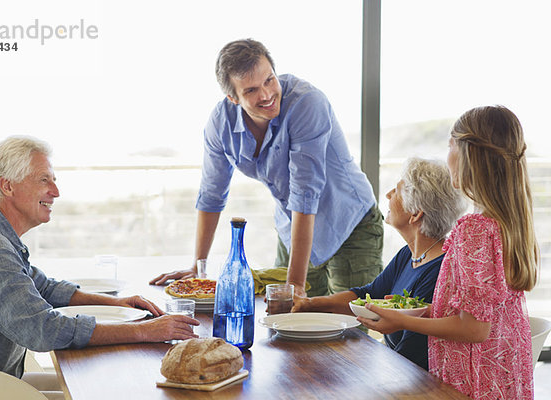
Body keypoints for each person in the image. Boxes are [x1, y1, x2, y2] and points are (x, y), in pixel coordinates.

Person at [0, 136, 199, 397]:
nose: (55, 192)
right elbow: (42, 330)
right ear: (7, 186)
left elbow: (44, 288)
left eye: (54, 180)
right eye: (44, 180)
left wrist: (117, 303)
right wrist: (143, 331)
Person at [150, 38, 383, 297]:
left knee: (347, 329)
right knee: (287, 327)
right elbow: (212, 195)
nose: (266, 95)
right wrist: (198, 267)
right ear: (233, 97)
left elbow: (304, 193)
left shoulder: (307, 103)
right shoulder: (220, 124)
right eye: (250, 90)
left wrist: (294, 285)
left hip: (349, 225)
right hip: (293, 229)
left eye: (269, 80)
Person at [358, 105, 538, 399]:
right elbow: (483, 314)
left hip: (473, 381)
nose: (447, 156)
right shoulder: (508, 222)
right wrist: (426, 311)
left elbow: (474, 330)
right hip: (504, 376)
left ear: (470, 156)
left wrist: (401, 320)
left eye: (450, 146)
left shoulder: (475, 229)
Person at [292, 157, 465, 369]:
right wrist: (310, 304)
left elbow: (410, 356)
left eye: (397, 190)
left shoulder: (439, 270)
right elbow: (369, 294)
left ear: (415, 213)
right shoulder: (409, 255)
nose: (388, 195)